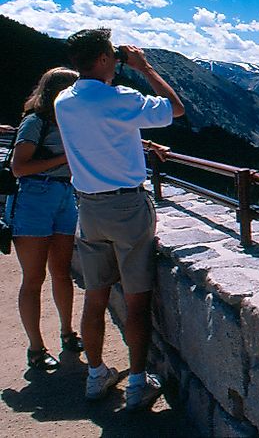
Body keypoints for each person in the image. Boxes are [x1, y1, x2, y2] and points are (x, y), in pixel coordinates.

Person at [55, 29, 184, 410]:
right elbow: (175, 109)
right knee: (136, 300)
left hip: (89, 207)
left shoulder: (64, 100)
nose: (116, 58)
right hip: (128, 208)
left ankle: (96, 377)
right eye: (112, 53)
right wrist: (145, 68)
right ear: (102, 59)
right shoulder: (122, 98)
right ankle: (137, 384)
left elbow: (100, 135)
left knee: (95, 298)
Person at [6, 67, 83, 371]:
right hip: (34, 198)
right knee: (34, 277)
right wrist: (63, 159)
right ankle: (36, 348)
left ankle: (67, 332)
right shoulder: (35, 122)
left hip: (63, 196)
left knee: (61, 272)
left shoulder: (68, 123)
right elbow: (19, 167)